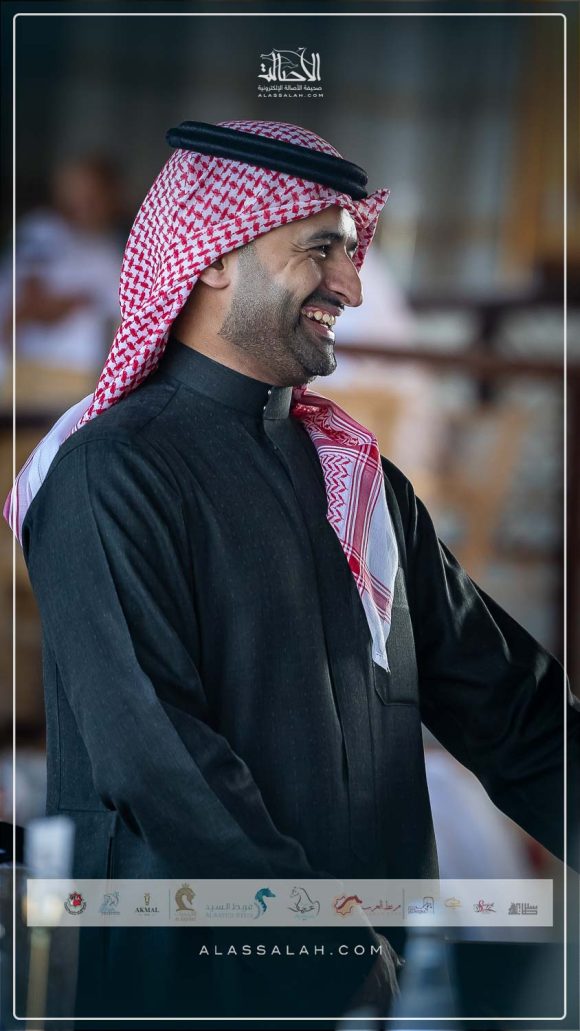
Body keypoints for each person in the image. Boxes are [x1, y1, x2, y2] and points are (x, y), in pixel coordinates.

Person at [6, 120, 579, 1027]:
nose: (352, 285)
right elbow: (159, 760)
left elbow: (511, 709)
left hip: (375, 982)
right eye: (321, 250)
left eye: (351, 251)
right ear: (210, 258)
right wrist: (323, 949)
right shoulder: (108, 473)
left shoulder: (362, 480)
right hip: (195, 990)